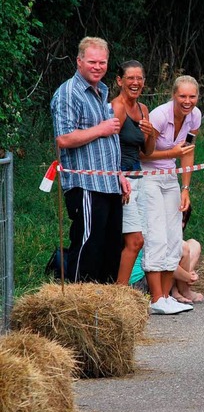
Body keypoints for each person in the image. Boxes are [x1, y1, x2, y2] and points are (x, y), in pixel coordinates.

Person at [50, 36, 130, 283]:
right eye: (92, 62)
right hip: (85, 185)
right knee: (88, 248)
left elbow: (106, 144)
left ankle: (103, 307)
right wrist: (101, 129)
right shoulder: (68, 93)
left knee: (111, 247)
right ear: (79, 61)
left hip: (108, 184)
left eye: (102, 62)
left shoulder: (101, 91)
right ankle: (77, 304)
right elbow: (62, 138)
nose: (97, 67)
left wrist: (118, 174)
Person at [139, 75, 201, 315]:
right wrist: (171, 152)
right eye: (182, 96)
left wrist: (186, 188)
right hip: (148, 176)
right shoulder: (159, 116)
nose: (187, 101)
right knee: (156, 236)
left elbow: (187, 151)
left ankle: (166, 296)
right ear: (174, 96)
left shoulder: (194, 117)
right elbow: (142, 154)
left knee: (174, 237)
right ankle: (156, 297)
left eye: (192, 96)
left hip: (171, 178)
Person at [111, 60, 156, 286]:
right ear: (120, 81)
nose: (135, 83)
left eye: (139, 78)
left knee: (141, 239)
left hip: (139, 178)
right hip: (122, 180)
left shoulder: (143, 109)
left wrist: (152, 134)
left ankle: (124, 289)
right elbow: (108, 146)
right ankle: (120, 293)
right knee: (134, 240)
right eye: (130, 78)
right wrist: (117, 177)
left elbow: (146, 152)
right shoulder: (116, 107)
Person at [170, 205, 204, 304]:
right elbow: (165, 263)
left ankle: (178, 288)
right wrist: (189, 277)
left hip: (171, 270)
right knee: (183, 247)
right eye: (178, 220)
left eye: (184, 221)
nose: (182, 225)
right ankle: (178, 291)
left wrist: (187, 273)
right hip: (151, 278)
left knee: (194, 244)